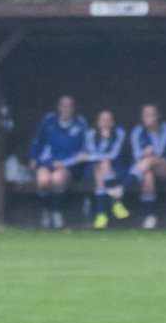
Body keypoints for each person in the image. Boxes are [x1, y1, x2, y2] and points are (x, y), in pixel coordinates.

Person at [27, 95, 88, 229]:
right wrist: (33, 157)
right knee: (43, 180)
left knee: (57, 179)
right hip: (47, 162)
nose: (66, 108)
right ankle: (46, 211)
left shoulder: (80, 124)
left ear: (73, 108)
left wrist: (67, 163)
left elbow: (84, 151)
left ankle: (56, 212)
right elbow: (37, 141)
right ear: (59, 107)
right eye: (63, 105)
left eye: (69, 106)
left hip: (67, 165)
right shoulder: (48, 121)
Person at [126, 104, 166, 230]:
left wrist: (148, 151)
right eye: (145, 115)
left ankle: (125, 185)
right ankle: (150, 216)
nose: (148, 118)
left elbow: (160, 151)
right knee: (147, 175)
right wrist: (144, 153)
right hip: (143, 168)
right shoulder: (137, 131)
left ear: (158, 116)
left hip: (164, 167)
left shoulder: (165, 128)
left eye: (151, 115)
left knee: (150, 160)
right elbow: (136, 154)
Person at [81, 109, 130, 230]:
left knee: (103, 165)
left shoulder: (119, 133)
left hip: (117, 168)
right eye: (103, 120)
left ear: (113, 122)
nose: (105, 122)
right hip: (92, 169)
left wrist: (94, 155)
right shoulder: (91, 133)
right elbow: (93, 152)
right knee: (101, 165)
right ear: (98, 122)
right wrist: (96, 156)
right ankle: (116, 202)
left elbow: (114, 154)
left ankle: (101, 214)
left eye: (108, 120)